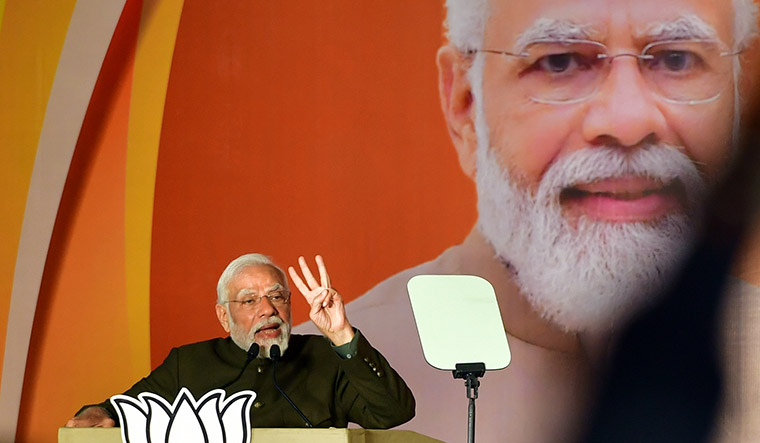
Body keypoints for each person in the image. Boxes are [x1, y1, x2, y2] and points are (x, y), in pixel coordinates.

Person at [294, 0, 760, 441]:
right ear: (465, 106)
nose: (626, 121)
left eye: (677, 60)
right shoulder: (304, 390)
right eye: (560, 62)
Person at [65, 253, 415, 429]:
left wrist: (342, 335)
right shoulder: (188, 364)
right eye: (249, 301)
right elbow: (120, 412)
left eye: (278, 297)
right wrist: (95, 413)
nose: (267, 309)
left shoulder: (326, 357)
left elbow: (393, 412)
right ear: (223, 315)